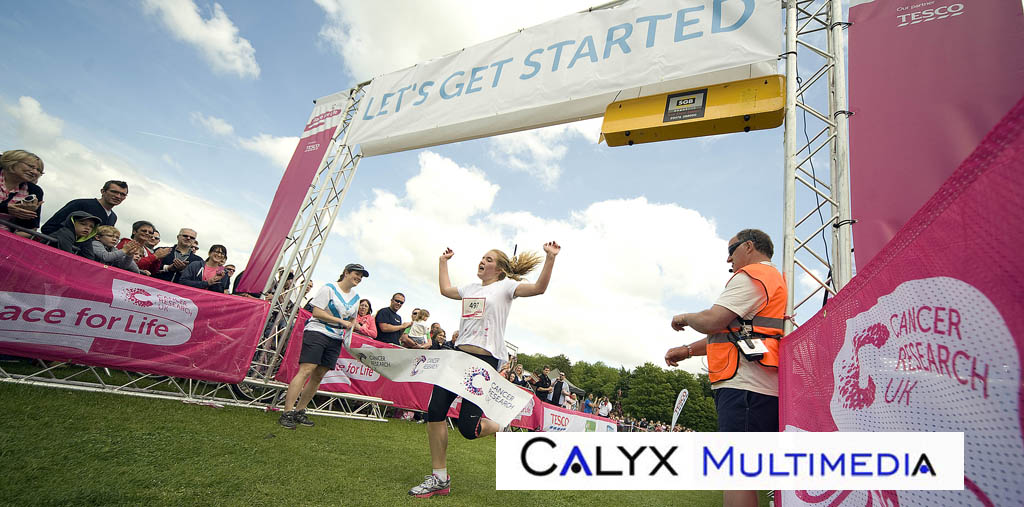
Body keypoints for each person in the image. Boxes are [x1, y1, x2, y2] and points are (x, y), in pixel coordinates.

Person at [409, 241, 560, 498]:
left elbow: (539, 288)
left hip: (483, 363)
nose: (483, 261)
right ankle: (439, 478)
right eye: (482, 258)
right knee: (435, 412)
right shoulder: (469, 288)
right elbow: (446, 289)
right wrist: (443, 262)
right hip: (457, 357)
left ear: (500, 269)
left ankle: (500, 427)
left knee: (469, 429)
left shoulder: (506, 287)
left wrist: (550, 258)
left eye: (489, 259)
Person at [663, 229, 786, 507]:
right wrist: (687, 351)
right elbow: (736, 333)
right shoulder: (774, 280)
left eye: (731, 250)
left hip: (744, 387)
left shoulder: (752, 276)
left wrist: (683, 317)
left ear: (750, 247)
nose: (728, 258)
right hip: (758, 387)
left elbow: (712, 320)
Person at [278, 263, 368, 429]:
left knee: (319, 375)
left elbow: (353, 319)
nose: (359, 278)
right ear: (346, 273)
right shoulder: (329, 288)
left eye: (361, 276)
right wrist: (341, 321)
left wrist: (353, 326)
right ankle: (287, 412)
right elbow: (317, 312)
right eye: (356, 274)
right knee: (306, 370)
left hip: (335, 337)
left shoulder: (356, 297)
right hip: (317, 331)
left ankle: (300, 411)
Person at [41, 180, 126, 235]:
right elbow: (49, 227)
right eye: (114, 192)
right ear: (103, 191)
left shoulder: (113, 217)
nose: (118, 196)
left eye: (122, 194)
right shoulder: (80, 204)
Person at [0, 150, 45, 236]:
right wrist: (5, 208)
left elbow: (30, 229)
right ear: (12, 162)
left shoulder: (35, 191)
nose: (35, 172)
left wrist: (27, 214)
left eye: (39, 170)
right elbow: (6, 209)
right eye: (31, 166)